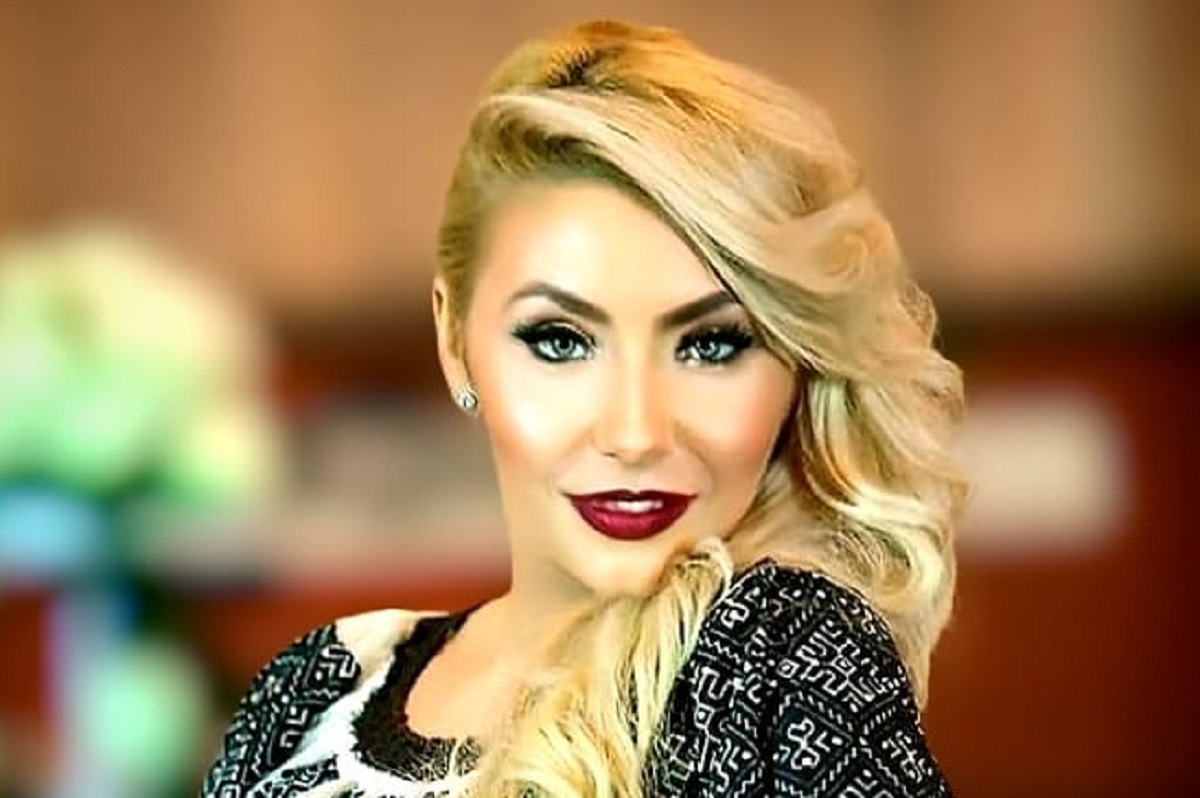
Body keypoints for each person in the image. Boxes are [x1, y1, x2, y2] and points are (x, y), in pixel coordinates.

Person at [201, 18, 967, 798]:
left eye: (710, 345)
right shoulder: (318, 685)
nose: (634, 433)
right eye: (560, 340)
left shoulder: (785, 660)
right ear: (455, 341)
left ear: (797, 366)